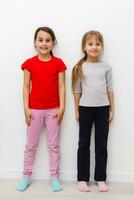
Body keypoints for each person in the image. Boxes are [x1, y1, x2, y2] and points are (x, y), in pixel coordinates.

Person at [17, 27, 67, 192]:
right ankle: (26, 176)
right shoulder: (29, 63)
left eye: (48, 40)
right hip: (35, 111)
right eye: (40, 40)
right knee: (31, 145)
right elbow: (25, 87)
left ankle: (55, 177)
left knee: (54, 146)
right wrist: (26, 108)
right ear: (35, 43)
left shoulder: (58, 63)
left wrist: (62, 107)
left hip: (53, 110)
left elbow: (62, 87)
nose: (44, 43)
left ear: (53, 43)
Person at [72, 31, 114, 192]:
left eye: (97, 44)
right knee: (83, 143)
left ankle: (100, 178)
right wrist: (76, 110)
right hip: (85, 109)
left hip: (103, 109)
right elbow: (77, 90)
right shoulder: (79, 67)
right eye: (90, 44)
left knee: (101, 145)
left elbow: (110, 89)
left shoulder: (107, 67)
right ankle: (82, 178)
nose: (94, 47)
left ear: (101, 47)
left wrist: (112, 108)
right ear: (84, 47)